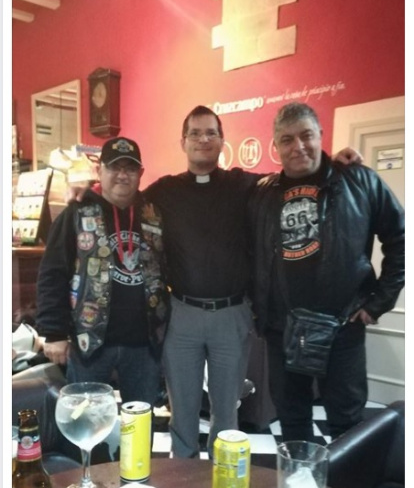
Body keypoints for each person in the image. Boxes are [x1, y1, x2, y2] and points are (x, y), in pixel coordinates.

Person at [145, 105, 360, 457]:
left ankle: (222, 475)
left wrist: (332, 163)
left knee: (226, 413)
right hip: (182, 315)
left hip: (232, 316)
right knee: (181, 412)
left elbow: (296, 175)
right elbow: (122, 199)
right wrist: (86, 193)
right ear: (183, 142)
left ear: (222, 141)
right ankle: (183, 473)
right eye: (195, 133)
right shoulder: (164, 190)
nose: (203, 139)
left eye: (211, 132)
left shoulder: (245, 184)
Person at [249, 102, 405, 441]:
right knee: (292, 423)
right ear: (276, 146)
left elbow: (401, 238)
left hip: (342, 325)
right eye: (287, 139)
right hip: (282, 327)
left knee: (348, 425)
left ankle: (348, 471)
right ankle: (301, 471)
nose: (298, 146)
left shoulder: (359, 181)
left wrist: (379, 301)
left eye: (306, 135)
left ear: (320, 135)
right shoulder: (262, 193)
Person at [36, 137, 170, 405]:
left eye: (130, 168)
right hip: (90, 341)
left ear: (140, 173)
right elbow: (52, 273)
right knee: (86, 416)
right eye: (114, 167)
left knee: (139, 418)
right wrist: (54, 333)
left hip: (144, 343)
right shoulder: (77, 212)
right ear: (99, 171)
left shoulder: (155, 213)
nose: (122, 175)